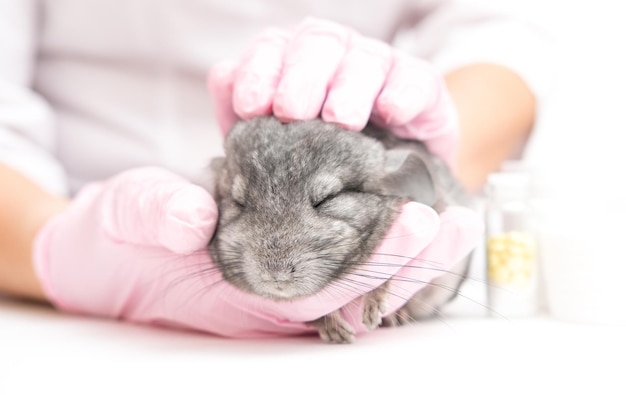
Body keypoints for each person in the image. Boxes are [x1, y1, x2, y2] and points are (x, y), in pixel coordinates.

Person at [0, 0, 547, 338]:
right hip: (50, 249)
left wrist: (428, 156)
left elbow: (498, 32)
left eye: (326, 202)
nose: (277, 265)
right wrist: (57, 244)